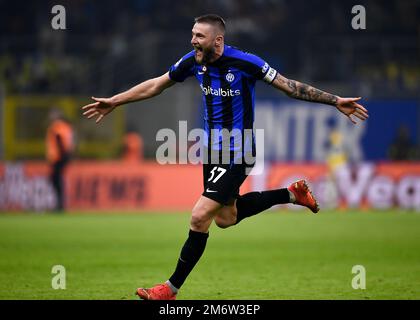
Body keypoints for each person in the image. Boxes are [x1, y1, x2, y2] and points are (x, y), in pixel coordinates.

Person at [82, 14, 368, 300]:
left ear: (217, 40)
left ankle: (169, 289)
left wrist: (334, 100)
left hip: (240, 149)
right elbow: (157, 84)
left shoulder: (246, 62)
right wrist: (116, 101)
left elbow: (290, 86)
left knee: (199, 217)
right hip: (212, 151)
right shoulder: (193, 61)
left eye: (199, 36)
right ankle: (291, 194)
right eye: (192, 34)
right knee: (226, 219)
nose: (192, 40)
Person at [46, 108, 74, 211]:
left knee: (55, 179)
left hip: (58, 157)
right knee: (56, 179)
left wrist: (63, 155)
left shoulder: (57, 126)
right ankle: (60, 203)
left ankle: (59, 204)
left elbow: (59, 140)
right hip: (63, 156)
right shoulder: (66, 126)